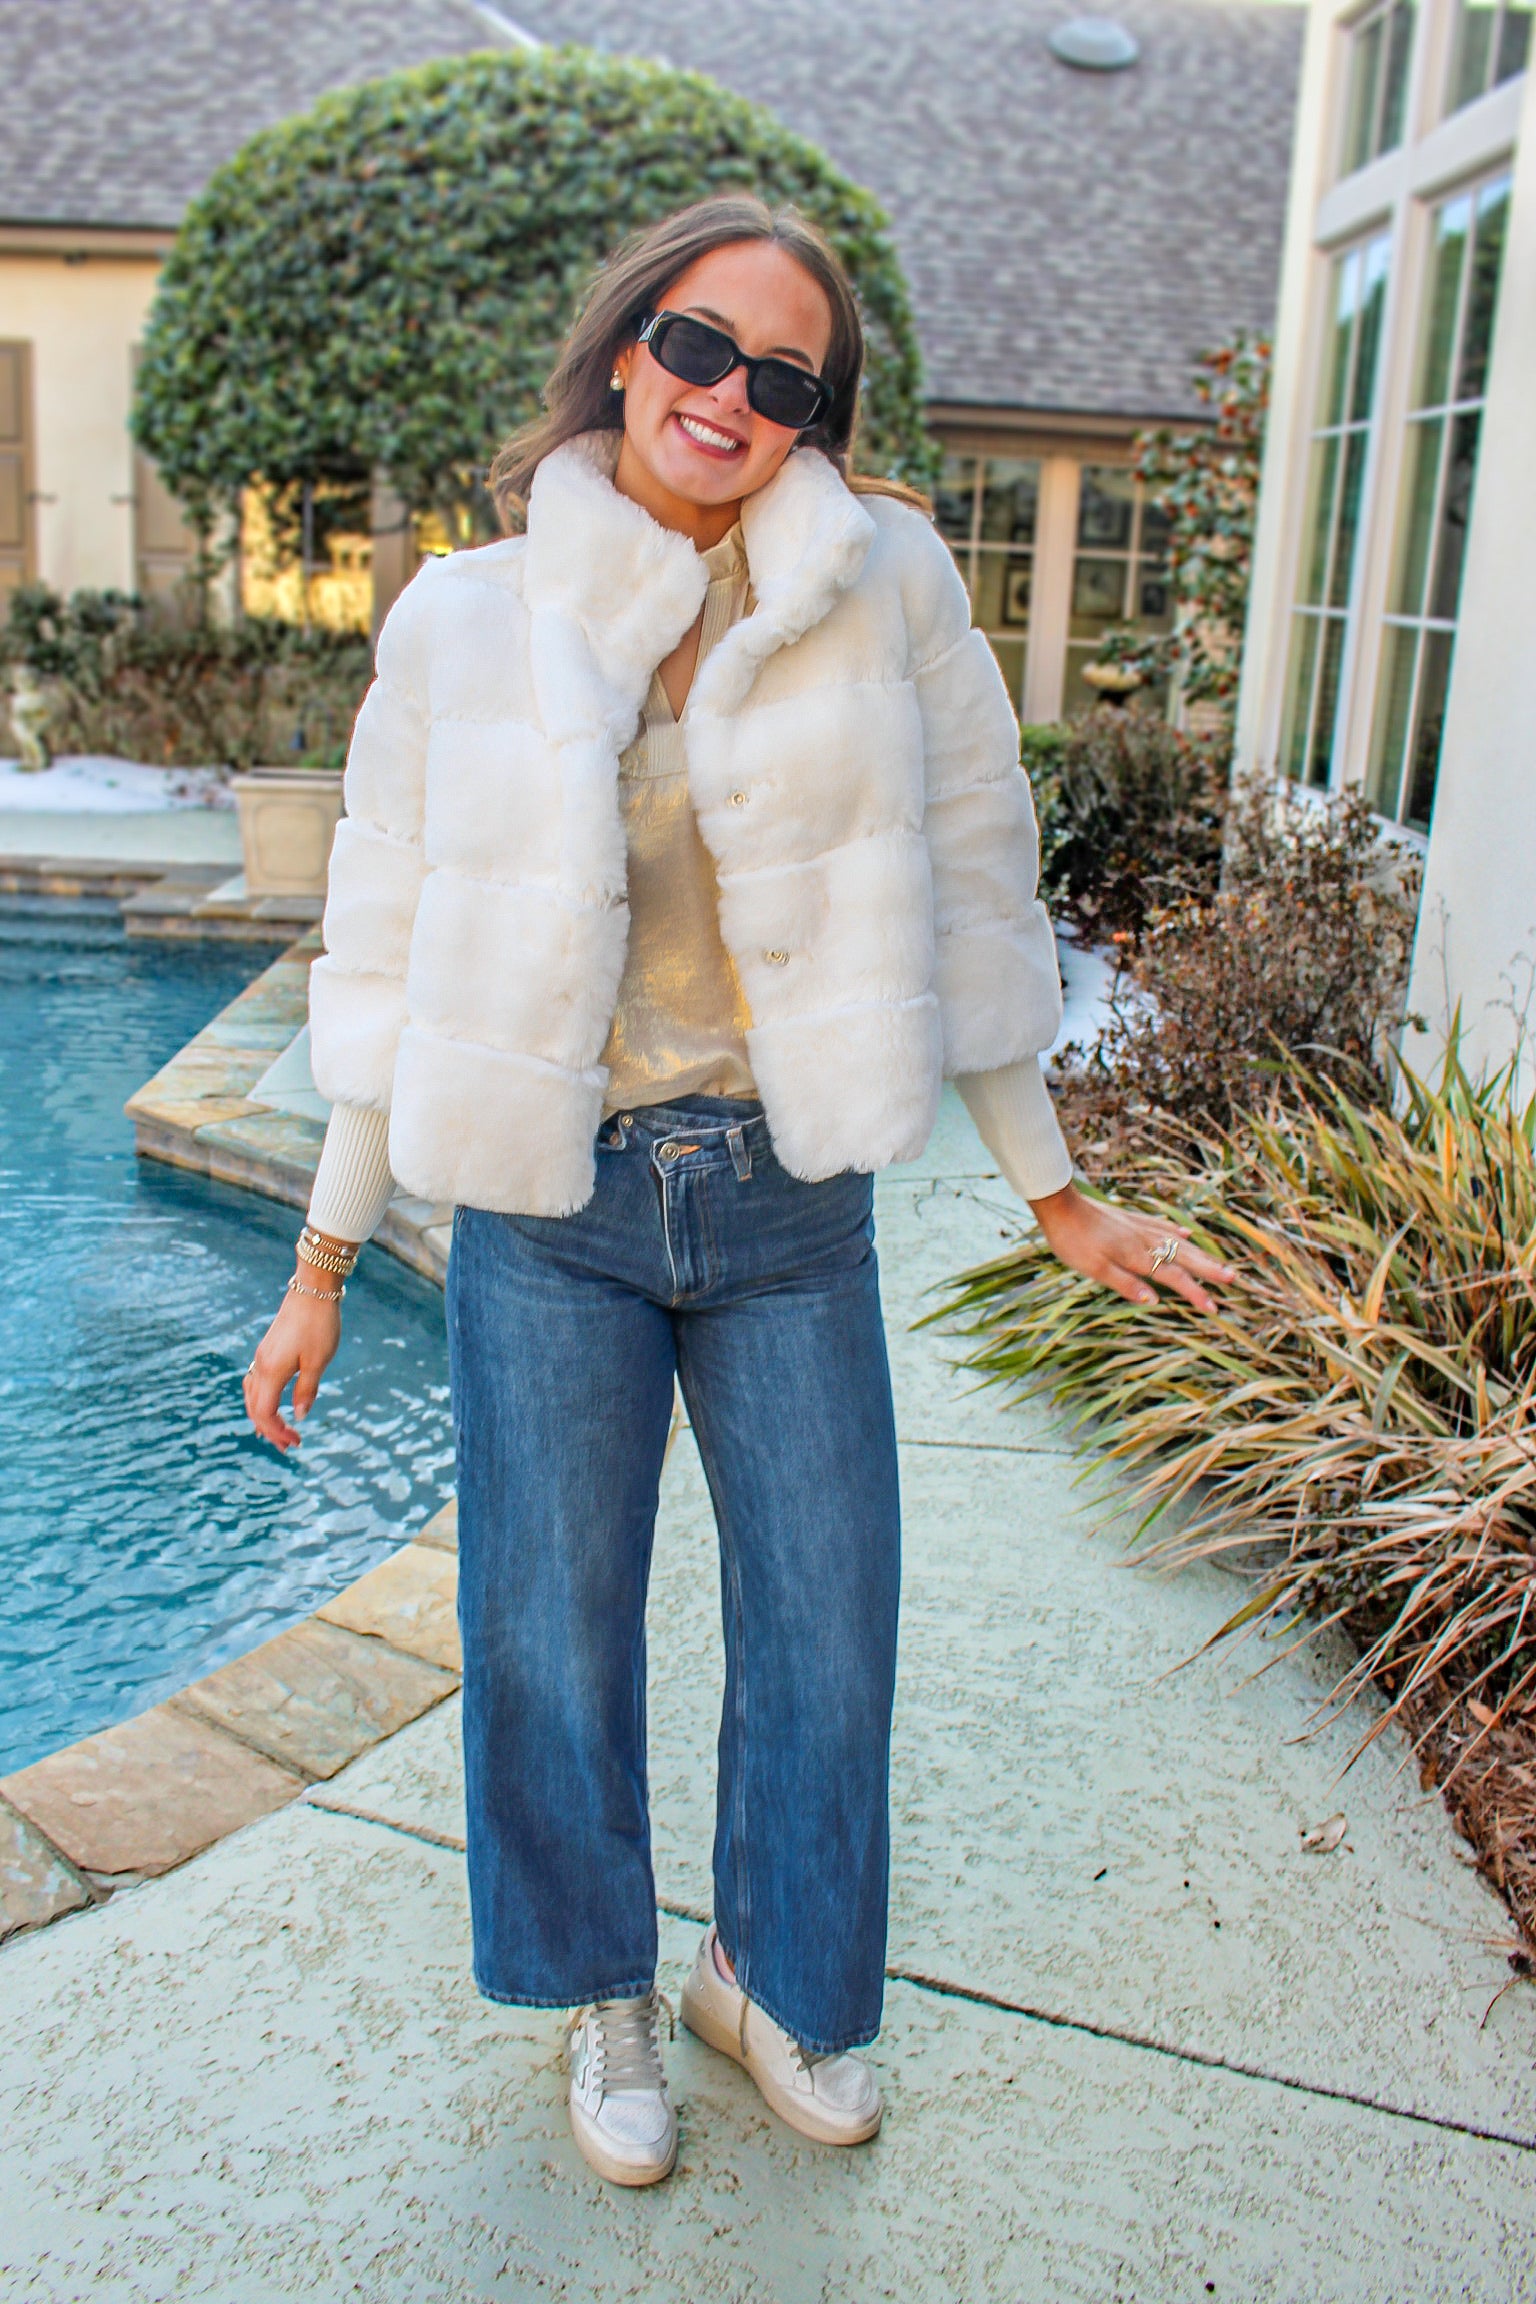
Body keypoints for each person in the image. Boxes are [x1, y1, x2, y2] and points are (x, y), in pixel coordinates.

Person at [242, 194, 1232, 2187]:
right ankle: (600, 1984)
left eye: (784, 376)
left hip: (785, 1210)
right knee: (547, 1634)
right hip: (552, 1219)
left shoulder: (889, 592)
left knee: (828, 1629)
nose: (729, 395)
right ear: (630, 349)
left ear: (815, 418)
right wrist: (324, 1258)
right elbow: (389, 960)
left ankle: (766, 1975)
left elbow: (973, 904)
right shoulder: (465, 619)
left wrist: (1059, 1197)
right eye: (700, 345)